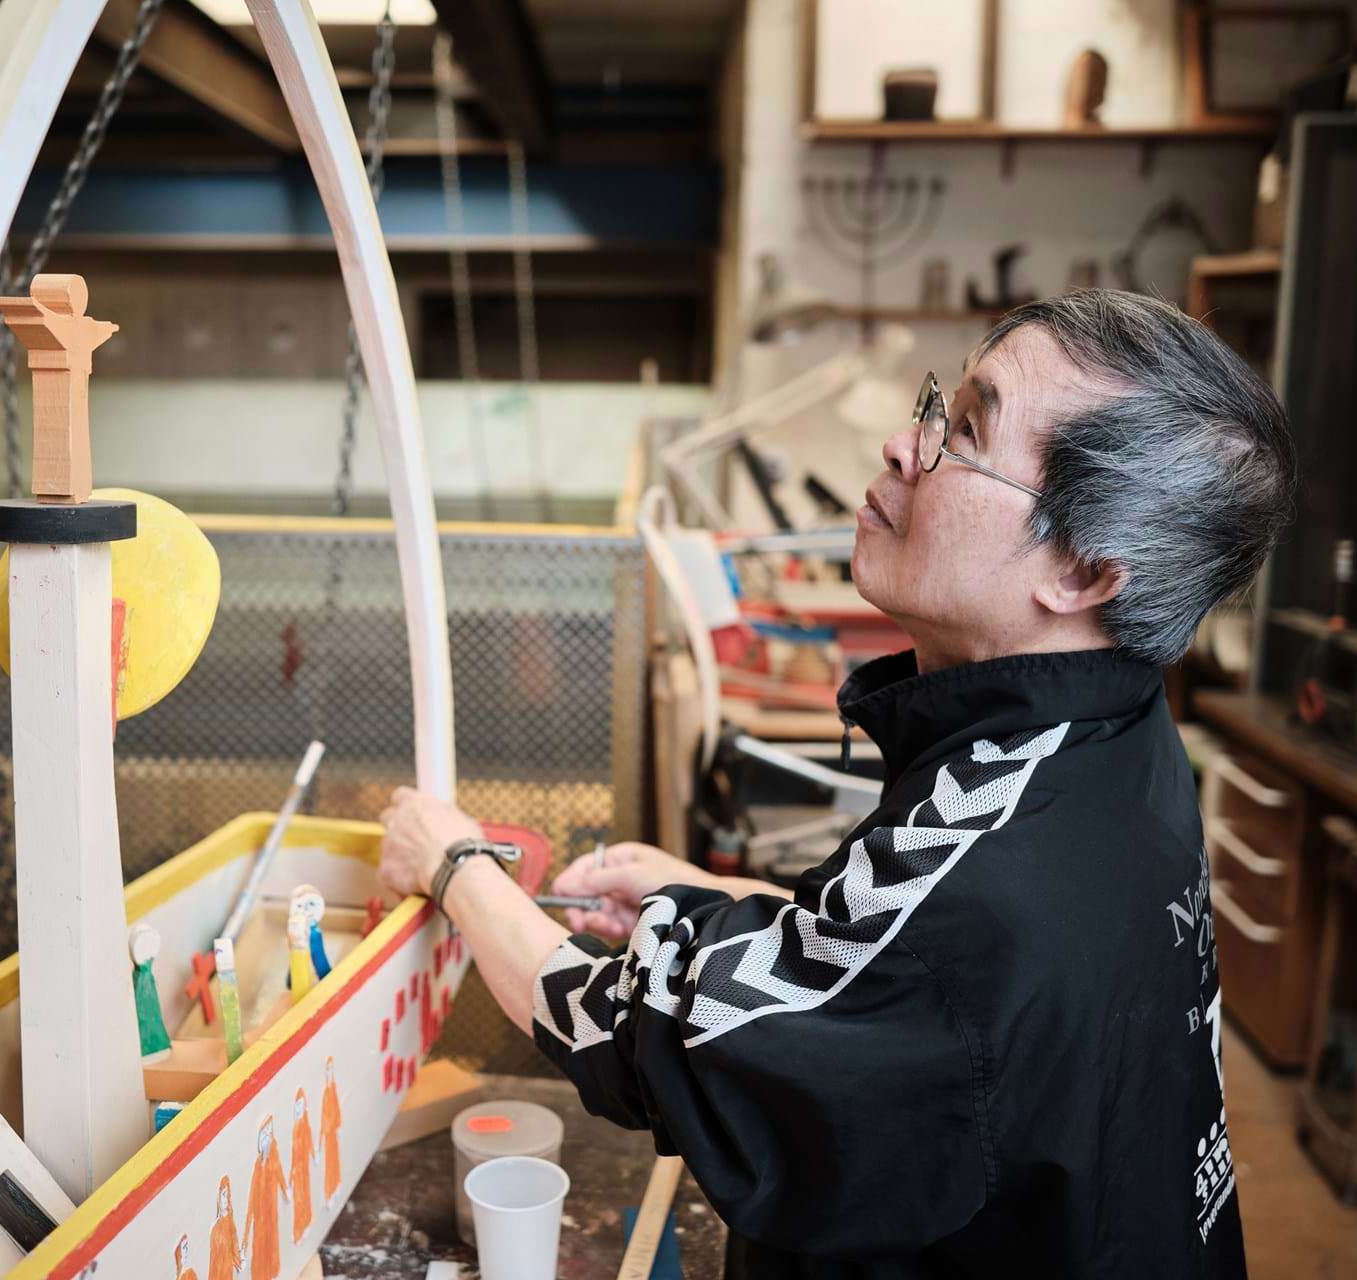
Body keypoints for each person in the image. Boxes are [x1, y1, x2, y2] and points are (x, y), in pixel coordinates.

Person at [378, 290, 1294, 1278]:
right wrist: (707, 893)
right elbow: (919, 981)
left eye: (966, 433)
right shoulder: (1115, 737)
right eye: (941, 405)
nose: (906, 444)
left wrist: (455, 866)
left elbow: (651, 1039)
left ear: (1081, 572)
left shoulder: (993, 877)